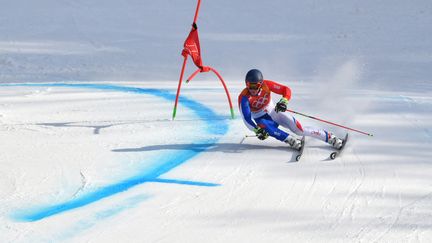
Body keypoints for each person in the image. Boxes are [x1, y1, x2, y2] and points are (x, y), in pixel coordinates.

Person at [238, 69, 344, 150]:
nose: (251, 89)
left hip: (274, 111)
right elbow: (247, 119)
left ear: (260, 84)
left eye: (254, 86)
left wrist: (284, 101)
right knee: (268, 129)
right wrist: (257, 130)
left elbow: (285, 89)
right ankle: (291, 140)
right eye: (248, 86)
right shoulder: (243, 97)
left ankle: (329, 137)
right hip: (260, 118)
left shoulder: (267, 85)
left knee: (299, 129)